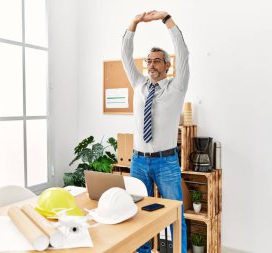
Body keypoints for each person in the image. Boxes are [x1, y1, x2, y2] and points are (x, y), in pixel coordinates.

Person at [121, 11, 189, 253]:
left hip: (166, 162)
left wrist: (166, 19)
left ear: (167, 65)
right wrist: (134, 23)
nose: (151, 65)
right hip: (138, 161)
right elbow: (125, 55)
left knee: (173, 213)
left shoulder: (176, 87)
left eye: (157, 61)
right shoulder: (139, 84)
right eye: (148, 61)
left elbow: (183, 51)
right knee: (138, 213)